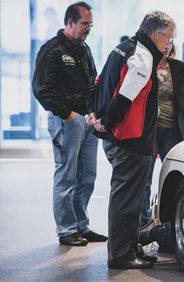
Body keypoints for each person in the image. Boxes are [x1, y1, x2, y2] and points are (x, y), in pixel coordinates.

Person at [90, 11, 175, 269]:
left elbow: (99, 83)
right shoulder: (143, 57)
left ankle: (130, 248)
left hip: (118, 138)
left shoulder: (122, 48)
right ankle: (121, 255)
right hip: (130, 140)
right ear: (156, 34)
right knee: (126, 201)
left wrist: (95, 114)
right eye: (169, 37)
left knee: (128, 200)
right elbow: (124, 98)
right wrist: (105, 121)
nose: (170, 43)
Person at [31, 1, 107, 247]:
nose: (89, 28)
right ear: (70, 22)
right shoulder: (51, 50)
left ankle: (81, 226)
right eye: (85, 23)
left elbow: (93, 83)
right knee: (66, 176)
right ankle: (66, 229)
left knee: (88, 177)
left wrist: (94, 113)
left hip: (87, 120)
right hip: (67, 121)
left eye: (91, 24)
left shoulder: (83, 49)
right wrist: (67, 115)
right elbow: (40, 88)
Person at [139, 43, 184, 228]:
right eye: (164, 42)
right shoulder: (144, 65)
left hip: (173, 129)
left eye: (170, 42)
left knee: (174, 177)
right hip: (150, 130)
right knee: (145, 177)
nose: (167, 46)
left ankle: (170, 223)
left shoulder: (180, 67)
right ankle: (143, 221)